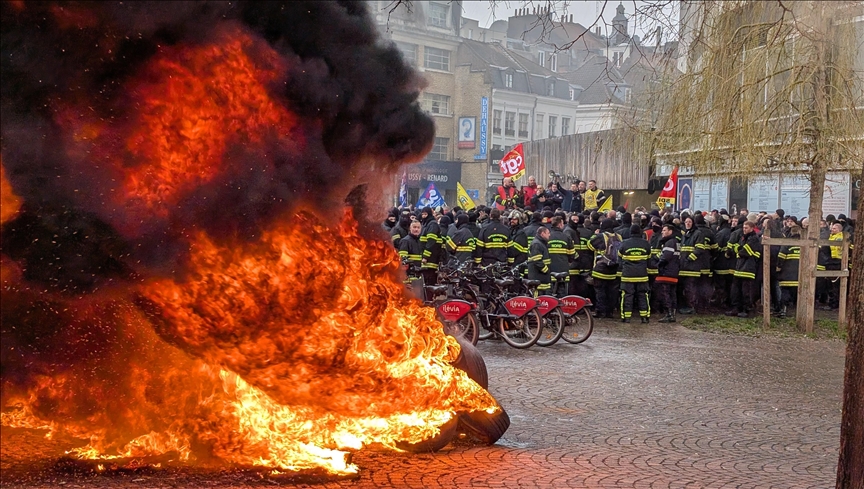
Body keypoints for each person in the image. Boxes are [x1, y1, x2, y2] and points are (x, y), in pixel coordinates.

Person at [727, 220, 761, 318]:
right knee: (735, 291)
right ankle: (736, 309)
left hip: (748, 270)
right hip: (739, 268)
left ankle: (747, 310)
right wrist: (738, 249)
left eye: (746, 228)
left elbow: (744, 252)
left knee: (747, 292)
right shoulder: (743, 238)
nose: (744, 230)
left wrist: (738, 249)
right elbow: (737, 248)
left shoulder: (753, 239)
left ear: (752, 228)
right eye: (743, 228)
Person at [587, 219, 620, 318]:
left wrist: (595, 234)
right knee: (611, 292)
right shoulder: (619, 236)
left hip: (601, 269)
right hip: (614, 269)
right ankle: (610, 312)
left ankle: (600, 311)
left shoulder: (602, 236)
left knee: (600, 291)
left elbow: (590, 245)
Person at [619, 224, 651, 323]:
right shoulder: (646, 244)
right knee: (643, 295)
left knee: (627, 296)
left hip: (627, 276)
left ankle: (626, 317)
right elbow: (649, 259)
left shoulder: (624, 244)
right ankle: (644, 317)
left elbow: (619, 259)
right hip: (642, 276)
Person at [564, 213, 594, 298]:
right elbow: (569, 246)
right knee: (573, 286)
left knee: (578, 285)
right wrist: (575, 256)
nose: (576, 222)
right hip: (573, 263)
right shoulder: (568, 231)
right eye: (574, 220)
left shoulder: (575, 231)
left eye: (577, 220)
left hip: (579, 263)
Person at [655, 224, 681, 323]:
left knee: (665, 293)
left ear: (670, 232)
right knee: (672, 293)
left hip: (667, 272)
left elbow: (665, 257)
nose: (662, 232)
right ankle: (672, 314)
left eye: (664, 230)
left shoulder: (669, 242)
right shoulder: (676, 242)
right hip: (674, 271)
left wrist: (658, 265)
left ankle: (669, 314)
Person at [776, 225, 802, 318]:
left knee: (785, 292)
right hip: (800, 275)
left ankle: (784, 311)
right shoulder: (805, 243)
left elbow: (781, 257)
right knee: (799, 294)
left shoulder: (787, 243)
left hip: (787, 274)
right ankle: (799, 313)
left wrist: (778, 268)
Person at [547, 216, 575, 295]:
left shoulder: (548, 236)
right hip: (563, 269)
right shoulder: (566, 237)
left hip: (550, 269)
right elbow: (572, 254)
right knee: (562, 292)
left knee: (549, 293)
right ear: (559, 224)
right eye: (563, 223)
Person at [418, 206, 443, 285]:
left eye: (425, 214)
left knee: (429, 280)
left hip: (431, 259)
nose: (424, 216)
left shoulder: (432, 225)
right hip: (427, 259)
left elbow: (431, 242)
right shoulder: (427, 224)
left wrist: (425, 256)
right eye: (423, 214)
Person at [527, 226, 552, 294]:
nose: (549, 235)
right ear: (542, 234)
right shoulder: (537, 244)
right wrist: (546, 270)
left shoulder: (541, 243)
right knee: (538, 299)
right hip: (538, 276)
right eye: (548, 233)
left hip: (542, 277)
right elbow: (537, 260)